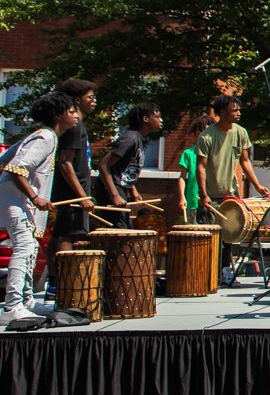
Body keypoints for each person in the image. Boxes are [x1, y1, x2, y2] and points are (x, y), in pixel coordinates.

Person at [1, 93, 80, 321]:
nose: (76, 116)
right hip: (15, 200)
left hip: (18, 200)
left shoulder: (44, 137)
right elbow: (16, 168)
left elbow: (5, 158)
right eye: (71, 111)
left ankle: (26, 301)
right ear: (58, 115)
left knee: (31, 249)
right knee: (25, 247)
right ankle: (12, 306)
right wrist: (35, 196)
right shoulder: (45, 137)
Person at [94, 103, 163, 229]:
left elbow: (125, 168)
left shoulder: (140, 139)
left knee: (126, 227)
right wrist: (114, 195)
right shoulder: (130, 139)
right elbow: (103, 166)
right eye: (157, 117)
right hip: (109, 189)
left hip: (120, 187)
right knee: (119, 231)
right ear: (145, 119)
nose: (161, 120)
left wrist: (133, 190)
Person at [195, 93, 269, 209]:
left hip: (232, 194)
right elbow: (200, 167)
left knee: (234, 226)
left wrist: (257, 186)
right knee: (209, 227)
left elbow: (245, 161)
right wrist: (204, 195)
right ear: (223, 112)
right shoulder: (206, 137)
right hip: (210, 197)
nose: (239, 113)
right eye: (235, 110)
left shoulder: (241, 132)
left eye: (239, 110)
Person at [50, 79, 97, 257]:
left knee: (60, 234)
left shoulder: (76, 125)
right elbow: (65, 162)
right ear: (77, 100)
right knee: (68, 236)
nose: (94, 101)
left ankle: (54, 281)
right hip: (72, 193)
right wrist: (82, 196)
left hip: (73, 191)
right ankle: (62, 282)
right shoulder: (75, 127)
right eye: (90, 97)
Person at [176, 106, 212, 225]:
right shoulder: (188, 153)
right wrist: (182, 197)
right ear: (197, 133)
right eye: (204, 132)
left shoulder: (217, 153)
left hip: (213, 200)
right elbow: (182, 177)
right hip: (194, 201)